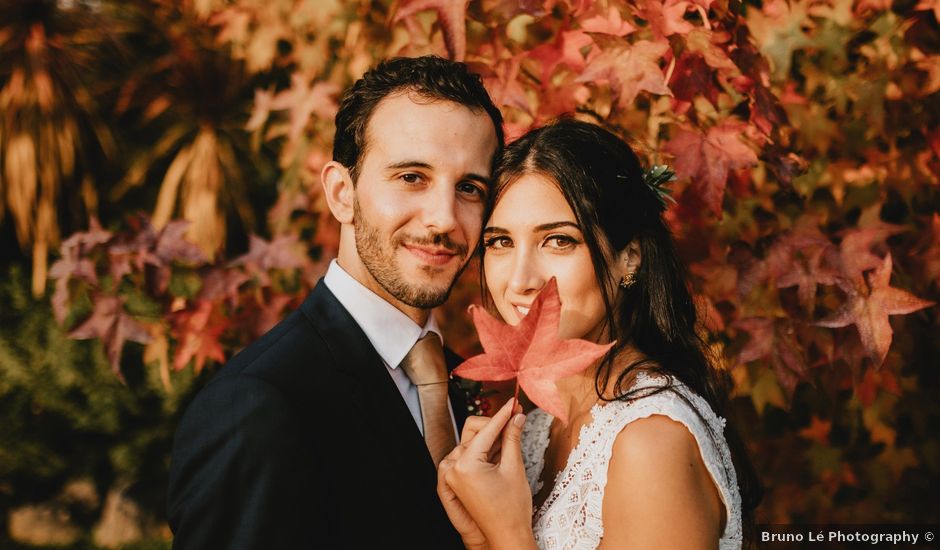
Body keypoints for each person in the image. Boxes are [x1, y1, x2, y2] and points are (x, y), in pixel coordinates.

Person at [167, 55, 503, 549]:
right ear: (342, 193)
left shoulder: (468, 383)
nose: (443, 219)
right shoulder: (258, 405)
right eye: (412, 176)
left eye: (470, 188)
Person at [437, 119, 760, 549]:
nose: (520, 280)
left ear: (628, 258)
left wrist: (508, 534)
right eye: (500, 242)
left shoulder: (649, 443)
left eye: (558, 240)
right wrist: (481, 539)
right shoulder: (537, 428)